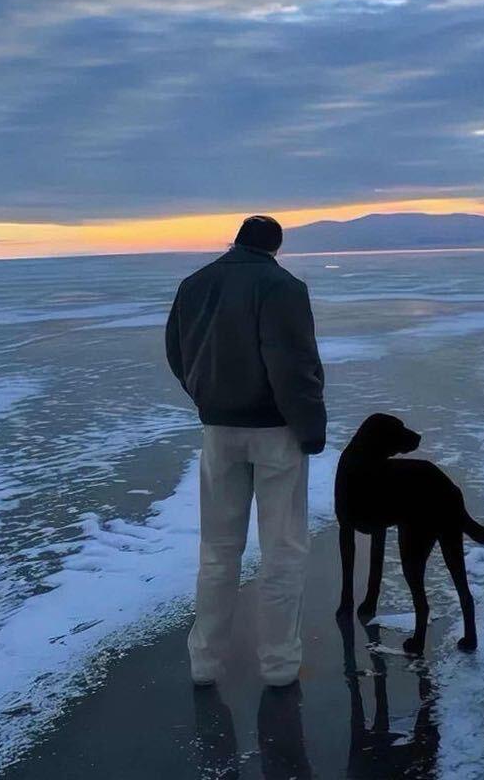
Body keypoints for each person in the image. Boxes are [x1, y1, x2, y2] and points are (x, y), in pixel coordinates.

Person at [165, 214, 327, 688]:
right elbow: (294, 365)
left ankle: (204, 662)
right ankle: (278, 665)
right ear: (275, 247)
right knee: (282, 549)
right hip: (276, 432)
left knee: (217, 551)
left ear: (236, 241)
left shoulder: (195, 284)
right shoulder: (283, 288)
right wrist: (310, 428)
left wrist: (207, 396)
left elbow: (177, 352)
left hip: (219, 432)